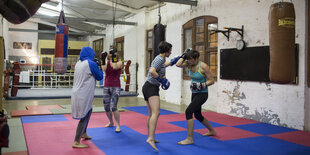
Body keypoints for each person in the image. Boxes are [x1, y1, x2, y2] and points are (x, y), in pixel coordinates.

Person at [142, 41, 180, 151]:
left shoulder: (161, 59)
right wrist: (161, 79)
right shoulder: (159, 59)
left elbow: (162, 66)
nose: (171, 52)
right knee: (156, 113)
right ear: (167, 50)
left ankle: (150, 137)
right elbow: (152, 71)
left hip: (148, 86)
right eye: (170, 50)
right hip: (151, 87)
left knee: (151, 114)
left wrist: (173, 61)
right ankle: (150, 138)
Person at [175, 49, 216, 145]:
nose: (189, 61)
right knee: (197, 115)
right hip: (194, 93)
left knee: (188, 111)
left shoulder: (203, 66)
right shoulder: (189, 64)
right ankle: (212, 131)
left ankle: (190, 138)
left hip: (202, 94)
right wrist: (184, 56)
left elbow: (212, 80)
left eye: (191, 59)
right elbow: (178, 64)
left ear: (197, 58)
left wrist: (201, 85)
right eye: (188, 59)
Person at [71, 47, 103, 148]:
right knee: (84, 115)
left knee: (89, 111)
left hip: (78, 92)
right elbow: (99, 76)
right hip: (83, 93)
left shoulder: (78, 63)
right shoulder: (90, 63)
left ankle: (83, 133)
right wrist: (100, 67)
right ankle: (76, 141)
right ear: (90, 53)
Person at [101, 48, 123, 133]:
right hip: (106, 86)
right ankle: (111, 122)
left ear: (115, 54)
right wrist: (103, 59)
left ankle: (118, 125)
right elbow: (103, 69)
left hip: (115, 86)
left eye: (112, 53)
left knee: (113, 106)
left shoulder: (119, 62)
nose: (109, 54)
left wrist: (113, 57)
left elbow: (114, 67)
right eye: (109, 53)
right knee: (106, 107)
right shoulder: (107, 62)